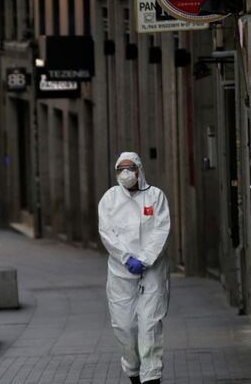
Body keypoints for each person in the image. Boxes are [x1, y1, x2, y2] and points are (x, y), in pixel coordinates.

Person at [98, 152, 171, 384]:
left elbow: (161, 229)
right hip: (121, 272)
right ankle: (133, 372)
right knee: (125, 327)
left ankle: (151, 377)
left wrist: (145, 259)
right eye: (121, 169)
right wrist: (126, 258)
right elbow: (106, 233)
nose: (126, 173)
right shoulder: (110, 199)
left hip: (152, 271)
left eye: (130, 168)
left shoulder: (155, 196)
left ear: (139, 170)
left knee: (149, 325)